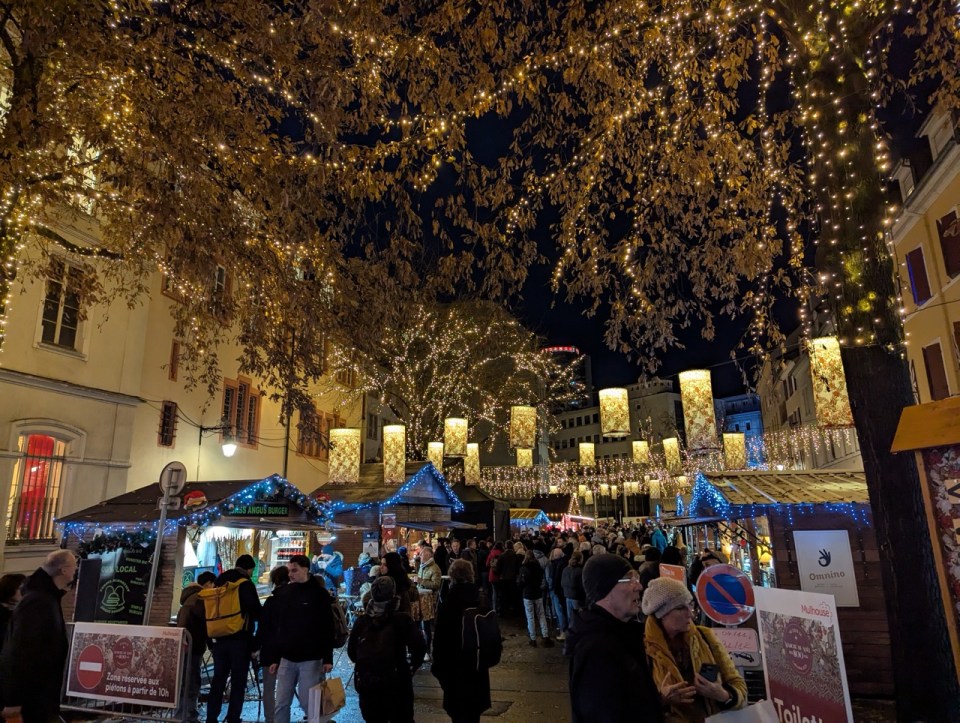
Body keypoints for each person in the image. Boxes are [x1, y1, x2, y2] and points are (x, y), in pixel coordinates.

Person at [564, 554, 663, 723]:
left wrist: (657, 700)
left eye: (636, 578)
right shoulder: (596, 650)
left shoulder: (620, 633)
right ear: (605, 589)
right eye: (629, 579)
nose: (638, 586)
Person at [642, 577, 747, 721]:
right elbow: (630, 707)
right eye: (680, 608)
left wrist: (722, 694)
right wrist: (662, 700)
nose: (690, 614)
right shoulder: (642, 649)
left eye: (690, 605)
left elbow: (738, 685)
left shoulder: (705, 637)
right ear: (661, 614)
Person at [0, 550, 77, 723]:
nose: (76, 570)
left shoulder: (45, 597)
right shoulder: (38, 601)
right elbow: (19, 650)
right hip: (32, 698)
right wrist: (13, 701)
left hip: (39, 696)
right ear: (64, 570)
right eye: (74, 566)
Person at [348, 576, 426, 722]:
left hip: (368, 683)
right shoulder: (402, 620)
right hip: (397, 682)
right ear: (393, 594)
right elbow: (419, 647)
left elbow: (352, 652)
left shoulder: (362, 621)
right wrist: (411, 667)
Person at [271, 554, 335, 723]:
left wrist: (327, 658)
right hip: (287, 657)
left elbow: (327, 627)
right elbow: (280, 627)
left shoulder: (319, 594)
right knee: (281, 702)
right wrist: (275, 658)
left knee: (310, 703)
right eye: (289, 571)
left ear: (305, 569)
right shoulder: (284, 593)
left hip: (311, 658)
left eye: (294, 570)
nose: (290, 574)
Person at [432, 559, 491, 723]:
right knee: (473, 715)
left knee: (458, 715)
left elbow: (440, 640)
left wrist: (438, 668)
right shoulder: (481, 600)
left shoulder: (449, 603)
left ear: (452, 576)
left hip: (455, 668)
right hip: (478, 667)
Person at [207, 554, 263, 723]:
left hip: (219, 639)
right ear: (248, 568)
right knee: (238, 682)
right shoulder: (245, 584)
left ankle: (211, 717)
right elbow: (256, 612)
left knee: (218, 680)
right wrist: (256, 642)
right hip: (240, 639)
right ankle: (233, 717)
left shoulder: (219, 582)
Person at [177, 570, 217, 722]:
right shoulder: (200, 599)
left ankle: (183, 713)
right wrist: (211, 644)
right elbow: (206, 623)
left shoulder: (188, 598)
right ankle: (188, 714)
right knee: (191, 681)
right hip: (192, 646)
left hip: (187, 645)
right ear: (207, 584)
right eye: (213, 585)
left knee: (185, 680)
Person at [257, 566, 291, 723]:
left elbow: (263, 629)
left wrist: (256, 647)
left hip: (270, 650)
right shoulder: (294, 599)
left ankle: (270, 719)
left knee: (269, 688)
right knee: (287, 688)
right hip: (291, 650)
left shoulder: (271, 602)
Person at [518, 550, 553, 647]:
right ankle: (545, 635)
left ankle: (533, 638)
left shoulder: (523, 568)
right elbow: (541, 579)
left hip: (527, 594)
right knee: (541, 615)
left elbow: (520, 583)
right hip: (538, 593)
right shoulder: (539, 567)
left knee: (530, 616)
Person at [414, 544, 442, 657]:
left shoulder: (435, 568)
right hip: (419, 599)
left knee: (426, 626)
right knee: (418, 625)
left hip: (429, 601)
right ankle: (418, 648)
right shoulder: (422, 566)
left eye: (422, 554)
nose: (420, 555)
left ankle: (427, 651)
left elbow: (436, 585)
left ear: (429, 554)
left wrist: (421, 581)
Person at [546, 547, 568, 640]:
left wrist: (551, 589)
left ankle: (563, 631)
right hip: (564, 591)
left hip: (557, 591)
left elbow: (553, 579)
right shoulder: (565, 562)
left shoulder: (554, 565)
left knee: (559, 611)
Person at [561, 549, 586, 626]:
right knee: (578, 618)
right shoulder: (580, 571)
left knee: (570, 617)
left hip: (567, 596)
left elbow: (562, 583)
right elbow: (582, 586)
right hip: (577, 598)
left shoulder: (565, 569)